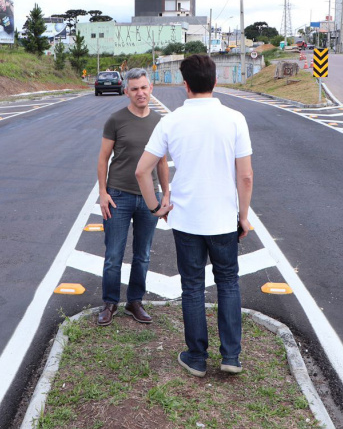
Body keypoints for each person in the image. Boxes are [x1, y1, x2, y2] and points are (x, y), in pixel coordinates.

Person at [135, 54, 253, 377]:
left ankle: (197, 357)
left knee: (192, 286)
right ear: (215, 82)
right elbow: (245, 176)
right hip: (223, 219)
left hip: (186, 220)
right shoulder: (235, 119)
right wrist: (243, 216)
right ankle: (231, 356)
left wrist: (156, 207)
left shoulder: (170, 122)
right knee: (228, 282)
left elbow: (142, 170)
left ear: (185, 85)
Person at [97, 68, 170, 327]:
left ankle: (135, 301)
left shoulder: (160, 122)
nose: (140, 92)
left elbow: (162, 163)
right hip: (118, 195)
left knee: (143, 254)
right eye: (135, 88)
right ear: (126, 91)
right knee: (114, 254)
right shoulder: (116, 120)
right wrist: (103, 193)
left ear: (151, 89)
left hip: (149, 198)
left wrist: (165, 195)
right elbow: (104, 158)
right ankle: (110, 303)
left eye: (144, 87)